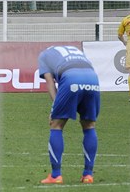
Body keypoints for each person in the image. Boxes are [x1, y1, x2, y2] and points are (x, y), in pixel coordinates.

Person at [38, 45, 100, 184]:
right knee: (89, 125)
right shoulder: (74, 50)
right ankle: (88, 175)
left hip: (71, 77)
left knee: (56, 124)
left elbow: (50, 82)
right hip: (92, 78)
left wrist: (55, 108)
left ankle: (55, 175)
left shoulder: (44, 55)